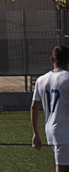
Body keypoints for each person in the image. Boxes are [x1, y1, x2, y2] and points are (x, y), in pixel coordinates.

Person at [31, 44, 69, 172]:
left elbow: (34, 108)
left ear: (52, 60)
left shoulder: (41, 80)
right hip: (65, 132)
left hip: (52, 131)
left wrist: (36, 133)